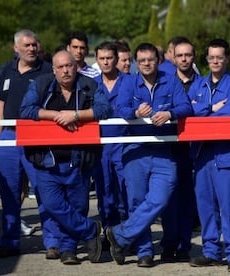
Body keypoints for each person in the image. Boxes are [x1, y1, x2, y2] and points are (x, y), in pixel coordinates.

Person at [106, 42, 193, 268]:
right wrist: (135, 113)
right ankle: (145, 251)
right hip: (135, 150)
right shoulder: (128, 83)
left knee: (160, 198)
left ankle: (119, 235)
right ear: (136, 62)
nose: (146, 64)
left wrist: (169, 113)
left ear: (159, 60)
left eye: (151, 60)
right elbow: (119, 109)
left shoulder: (170, 80)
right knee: (136, 202)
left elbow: (186, 107)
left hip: (165, 151)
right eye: (142, 60)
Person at [19, 50, 109, 264]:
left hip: (79, 159)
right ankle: (90, 229)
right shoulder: (41, 85)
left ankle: (69, 249)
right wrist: (55, 116)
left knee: (77, 207)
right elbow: (26, 110)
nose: (66, 70)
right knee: (52, 205)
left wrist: (76, 115)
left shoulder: (89, 85)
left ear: (76, 66)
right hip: (46, 160)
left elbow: (104, 109)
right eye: (60, 67)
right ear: (54, 69)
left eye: (69, 66)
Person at [188, 38, 230, 273]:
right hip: (202, 154)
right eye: (211, 57)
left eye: (219, 57)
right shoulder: (198, 85)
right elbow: (188, 113)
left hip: (226, 153)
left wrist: (202, 117)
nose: (215, 61)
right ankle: (211, 251)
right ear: (206, 59)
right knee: (205, 206)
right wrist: (211, 109)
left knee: (229, 206)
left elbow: (229, 116)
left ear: (227, 59)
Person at [0, 29, 53, 258]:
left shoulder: (47, 71)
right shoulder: (5, 70)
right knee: (9, 192)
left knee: (44, 190)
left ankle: (53, 242)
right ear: (16, 48)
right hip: (8, 137)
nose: (32, 49)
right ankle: (9, 241)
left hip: (36, 135)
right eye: (27, 45)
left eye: (34, 45)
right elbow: (0, 104)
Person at [160, 37, 201, 263]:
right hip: (169, 149)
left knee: (187, 201)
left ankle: (184, 246)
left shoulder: (204, 84)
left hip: (195, 150)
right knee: (168, 200)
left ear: (194, 57)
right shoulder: (164, 83)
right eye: (180, 55)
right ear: (173, 58)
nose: (184, 59)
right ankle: (168, 244)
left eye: (188, 55)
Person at [92, 41, 128, 249]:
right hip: (101, 146)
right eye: (102, 58)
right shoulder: (91, 85)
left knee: (127, 190)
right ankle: (107, 232)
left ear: (116, 59)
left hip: (125, 145)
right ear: (97, 60)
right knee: (104, 190)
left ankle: (126, 233)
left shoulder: (129, 82)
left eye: (109, 58)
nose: (106, 62)